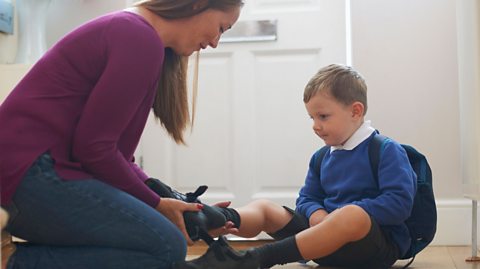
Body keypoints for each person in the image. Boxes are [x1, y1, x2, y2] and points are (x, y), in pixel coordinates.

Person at [0, 0, 243, 268]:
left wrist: (173, 202)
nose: (215, 42)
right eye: (221, 28)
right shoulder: (138, 38)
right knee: (165, 245)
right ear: (199, 5)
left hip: (31, 175)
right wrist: (155, 204)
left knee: (158, 236)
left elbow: (112, 154)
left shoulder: (140, 36)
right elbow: (94, 149)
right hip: (27, 176)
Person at [177, 64, 417, 269]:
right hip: (322, 239)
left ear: (356, 111)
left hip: (371, 247)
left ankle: (254, 259)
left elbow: (399, 204)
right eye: (311, 118)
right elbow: (307, 198)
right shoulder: (322, 157)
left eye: (323, 116)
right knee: (265, 208)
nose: (315, 125)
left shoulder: (385, 150)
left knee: (352, 214)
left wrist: (341, 215)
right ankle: (209, 219)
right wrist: (317, 214)